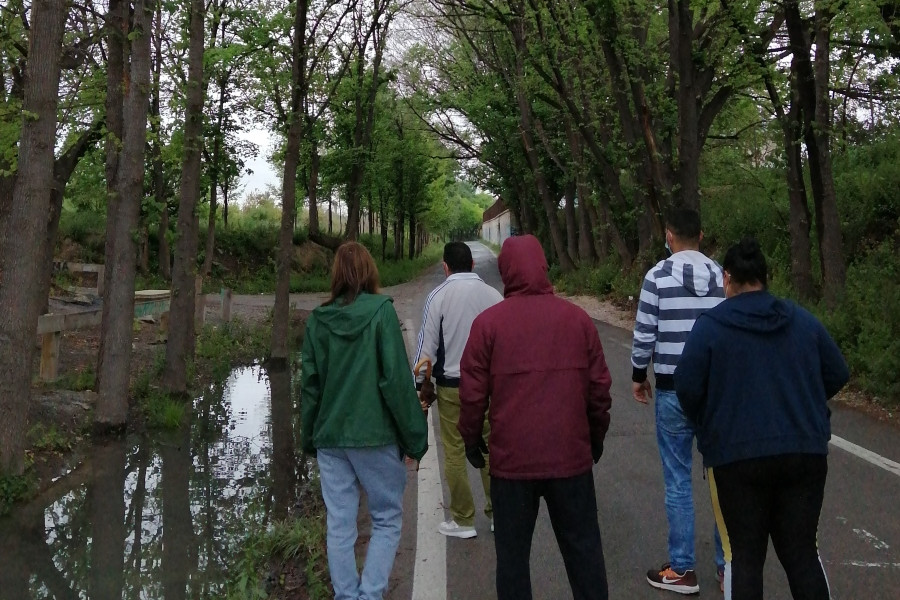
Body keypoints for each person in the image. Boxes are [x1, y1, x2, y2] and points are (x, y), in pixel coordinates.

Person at [675, 238, 849, 600]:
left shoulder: (710, 327)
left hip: (735, 458)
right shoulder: (801, 319)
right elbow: (836, 372)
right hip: (804, 451)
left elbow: (687, 388)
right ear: (765, 279)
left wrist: (710, 420)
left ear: (727, 278)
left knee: (745, 557)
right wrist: (805, 404)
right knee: (801, 553)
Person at [458, 234, 612, 600]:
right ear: (543, 266)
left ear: (506, 271)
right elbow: (599, 389)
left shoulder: (488, 325)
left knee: (512, 560)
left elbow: (472, 393)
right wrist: (595, 435)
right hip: (570, 461)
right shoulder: (578, 320)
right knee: (584, 554)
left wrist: (470, 439)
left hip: (512, 466)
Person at [300, 241, 428, 600]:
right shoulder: (382, 313)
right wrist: (416, 439)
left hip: (331, 439)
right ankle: (369, 595)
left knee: (339, 525)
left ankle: (346, 596)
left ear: (336, 275)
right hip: (375, 436)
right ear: (370, 271)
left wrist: (310, 436)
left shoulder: (317, 321)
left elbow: (309, 386)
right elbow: (397, 383)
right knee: (386, 518)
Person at [631, 207, 726, 594]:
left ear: (669, 235)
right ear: (700, 236)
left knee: (678, 480)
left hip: (672, 389)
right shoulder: (723, 276)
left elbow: (644, 335)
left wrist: (639, 376)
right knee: (721, 479)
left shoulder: (657, 277)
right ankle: (729, 568)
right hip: (716, 392)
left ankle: (683, 570)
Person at [414, 241, 503, 538]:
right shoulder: (494, 295)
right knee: (490, 449)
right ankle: (498, 515)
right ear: (473, 265)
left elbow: (427, 349)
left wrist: (420, 387)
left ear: (445, 267)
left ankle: (463, 520)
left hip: (452, 388)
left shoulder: (437, 297)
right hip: (489, 388)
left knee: (454, 450)